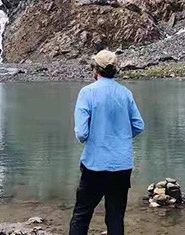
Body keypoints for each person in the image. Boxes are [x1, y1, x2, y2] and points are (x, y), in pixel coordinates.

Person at [68, 50, 145, 235]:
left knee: (82, 214)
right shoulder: (125, 93)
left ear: (95, 70)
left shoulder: (87, 92)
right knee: (115, 217)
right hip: (122, 165)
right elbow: (138, 125)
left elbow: (82, 133)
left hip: (95, 164)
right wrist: (121, 138)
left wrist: (96, 137)